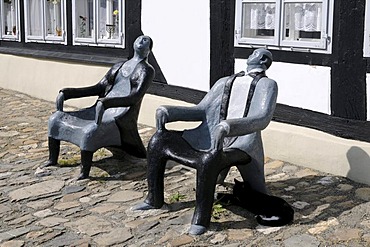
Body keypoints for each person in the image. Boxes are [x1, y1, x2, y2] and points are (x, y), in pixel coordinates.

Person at [133, 48, 278, 235]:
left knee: (208, 160)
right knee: (158, 141)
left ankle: (201, 219)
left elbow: (262, 118)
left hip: (241, 144)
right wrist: (168, 112)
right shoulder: (225, 82)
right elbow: (201, 109)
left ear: (264, 60)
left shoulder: (267, 86)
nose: (251, 55)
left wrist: (227, 127)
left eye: (256, 53)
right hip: (207, 137)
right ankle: (153, 199)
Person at [42, 35, 155, 180]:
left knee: (90, 131)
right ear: (132, 43)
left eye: (146, 40)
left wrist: (107, 103)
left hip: (119, 116)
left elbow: (134, 97)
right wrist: (67, 93)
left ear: (149, 50)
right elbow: (99, 87)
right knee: (55, 119)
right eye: (139, 38)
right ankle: (52, 159)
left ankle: (84, 173)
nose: (141, 40)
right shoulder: (119, 66)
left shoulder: (146, 70)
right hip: (100, 108)